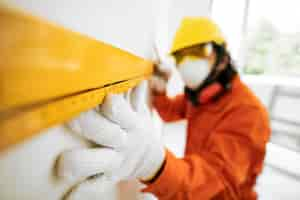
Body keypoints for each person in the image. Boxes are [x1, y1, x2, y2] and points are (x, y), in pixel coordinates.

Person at [57, 17, 270, 200]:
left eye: (198, 51)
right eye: (180, 56)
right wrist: (159, 92)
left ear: (223, 57)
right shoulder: (202, 97)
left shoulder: (249, 113)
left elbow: (215, 183)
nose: (187, 62)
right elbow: (171, 112)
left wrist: (154, 164)